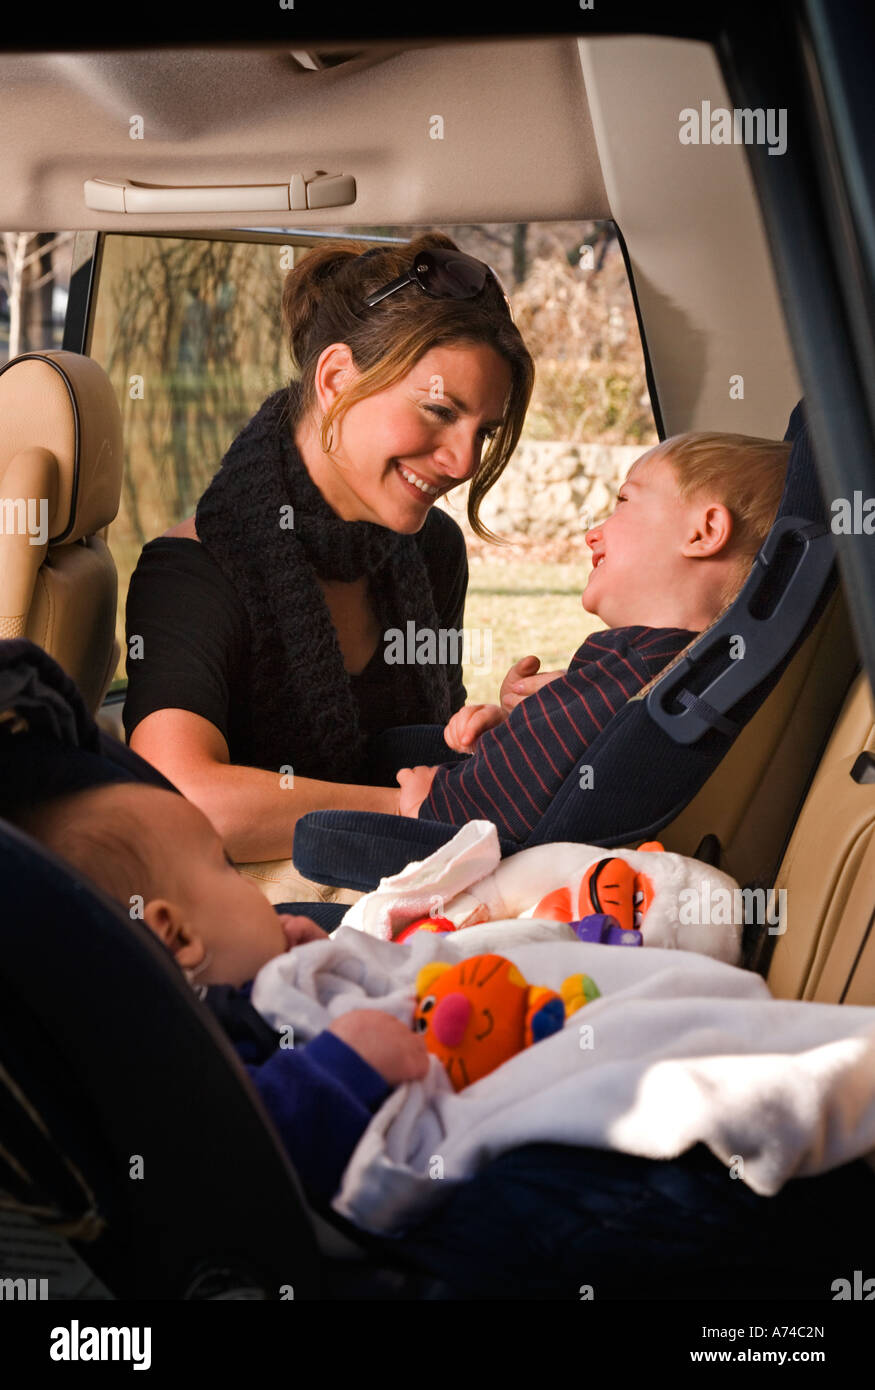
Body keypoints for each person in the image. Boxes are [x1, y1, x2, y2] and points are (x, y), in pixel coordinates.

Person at [123, 233, 535, 881]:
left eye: (481, 431)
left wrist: (505, 734)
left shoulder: (433, 551)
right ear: (337, 378)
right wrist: (409, 809)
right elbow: (180, 796)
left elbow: (416, 751)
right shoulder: (196, 570)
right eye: (438, 410)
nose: (463, 462)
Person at [13, 779, 428, 1207]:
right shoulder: (182, 1056)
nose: (253, 888)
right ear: (178, 937)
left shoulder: (223, 1005)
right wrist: (345, 1066)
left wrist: (316, 972)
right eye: (226, 867)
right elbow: (242, 1152)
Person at [396, 431, 792, 841]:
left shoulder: (638, 667)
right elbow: (577, 763)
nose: (593, 533)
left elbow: (489, 816)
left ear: (703, 531)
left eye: (623, 501)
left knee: (348, 809)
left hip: (470, 843)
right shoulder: (689, 669)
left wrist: (431, 803)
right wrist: (521, 726)